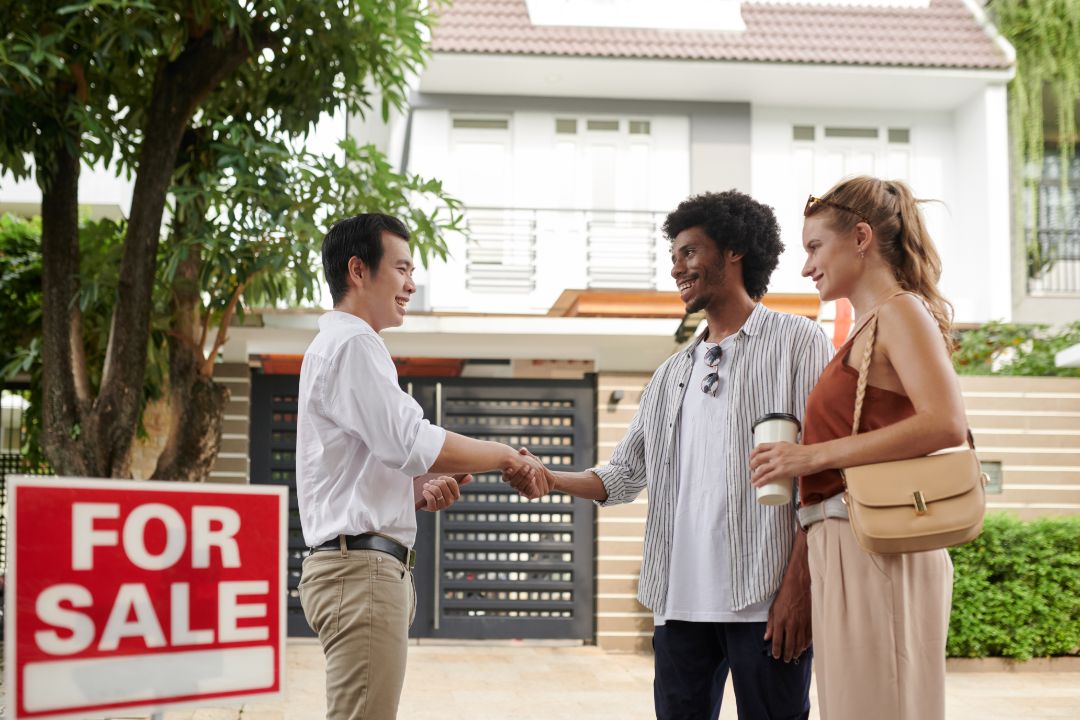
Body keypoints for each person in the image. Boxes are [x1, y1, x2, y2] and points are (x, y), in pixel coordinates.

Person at [512, 191, 833, 719]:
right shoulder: (670, 374)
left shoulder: (798, 342)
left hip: (765, 598)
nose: (677, 266)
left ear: (733, 252)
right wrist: (551, 478)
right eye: (675, 254)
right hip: (678, 603)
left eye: (689, 252)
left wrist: (800, 585)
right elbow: (626, 473)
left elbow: (820, 469)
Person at [295, 213, 544, 720]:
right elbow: (408, 440)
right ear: (358, 270)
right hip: (360, 573)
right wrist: (502, 455)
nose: (412, 284)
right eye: (403, 269)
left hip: (357, 568)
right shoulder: (354, 343)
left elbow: (348, 474)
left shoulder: (339, 346)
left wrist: (410, 491)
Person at [750, 177, 966, 720]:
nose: (806, 266)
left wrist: (812, 457)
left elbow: (946, 424)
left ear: (862, 237)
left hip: (876, 544)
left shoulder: (899, 312)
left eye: (815, 247)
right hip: (849, 542)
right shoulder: (870, 326)